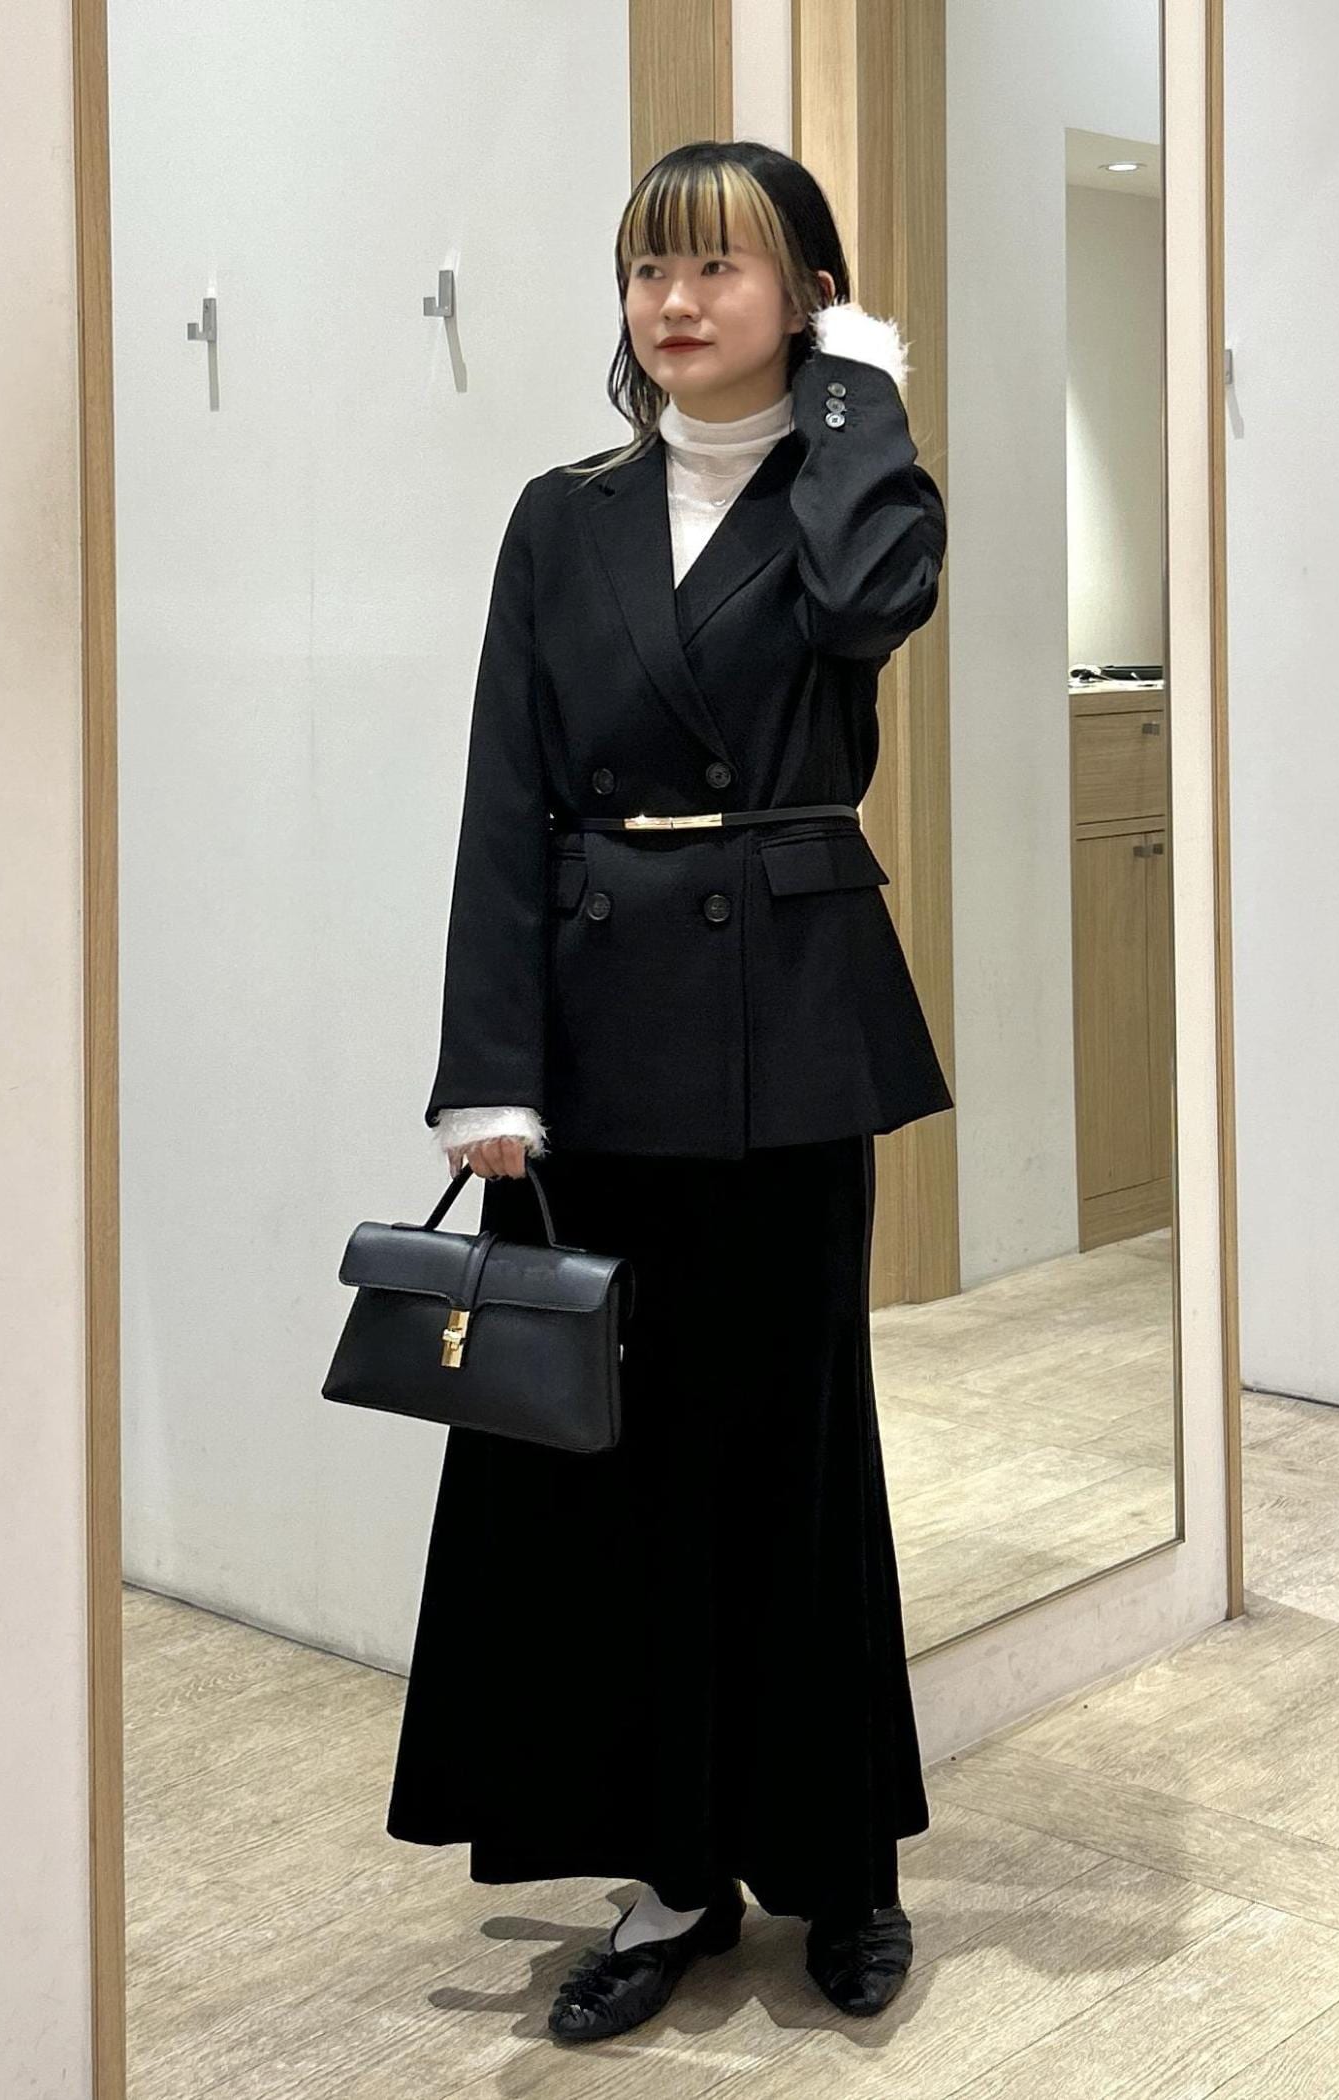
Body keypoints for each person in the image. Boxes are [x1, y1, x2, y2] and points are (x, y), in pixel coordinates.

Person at [384, 136, 952, 2045]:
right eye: (649, 270)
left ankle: (841, 1859)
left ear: (806, 296)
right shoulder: (562, 518)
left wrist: (855, 386)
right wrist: (489, 1068)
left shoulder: (857, 490)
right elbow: (503, 794)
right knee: (616, 1477)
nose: (676, 303)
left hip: (788, 1030)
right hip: (602, 1037)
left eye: (720, 267)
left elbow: (872, 602)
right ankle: (672, 1874)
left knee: (796, 1455)